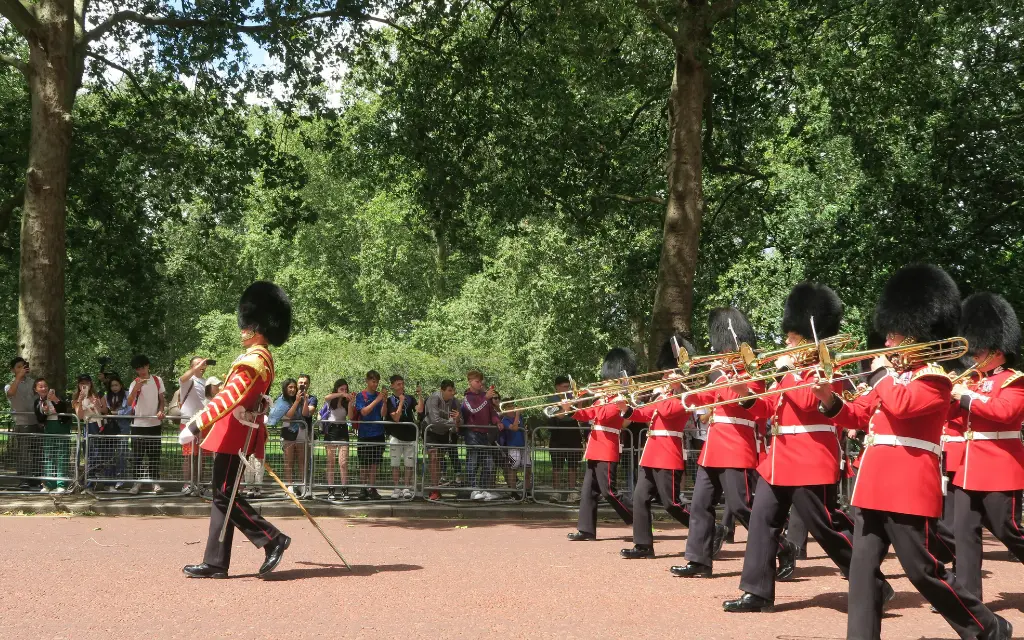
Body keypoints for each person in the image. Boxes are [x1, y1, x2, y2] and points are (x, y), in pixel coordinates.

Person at [815, 265, 1011, 640]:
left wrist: (881, 373)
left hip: (907, 484)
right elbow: (859, 415)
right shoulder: (891, 377)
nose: (887, 343)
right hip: (871, 484)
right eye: (889, 334)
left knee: (922, 570)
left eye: (895, 335)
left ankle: (987, 626)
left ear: (917, 334)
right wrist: (828, 401)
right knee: (861, 571)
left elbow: (902, 406)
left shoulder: (935, 379)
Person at [723, 282, 891, 613]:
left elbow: (809, 402)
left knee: (824, 527)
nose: (786, 341)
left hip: (810, 456)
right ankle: (757, 592)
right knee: (762, 519)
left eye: (791, 336)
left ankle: (874, 583)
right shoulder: (792, 369)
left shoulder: (829, 366)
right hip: (780, 458)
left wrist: (791, 370)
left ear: (805, 334)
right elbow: (767, 408)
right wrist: (743, 391)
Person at [179, 280, 293, 579]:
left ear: (255, 328)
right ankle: (215, 561)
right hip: (238, 430)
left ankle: (272, 539)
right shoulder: (261, 356)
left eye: (245, 327)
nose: (241, 331)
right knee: (222, 494)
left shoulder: (254, 359)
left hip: (235, 432)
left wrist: (195, 424)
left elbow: (230, 397)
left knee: (225, 494)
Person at [672, 309, 770, 577]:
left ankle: (781, 548)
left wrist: (720, 376)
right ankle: (699, 560)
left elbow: (753, 406)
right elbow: (704, 399)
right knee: (700, 504)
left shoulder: (751, 369)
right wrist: (686, 389)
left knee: (741, 506)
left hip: (737, 446)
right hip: (713, 447)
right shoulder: (720, 371)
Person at [947, 292, 1024, 601]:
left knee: (1008, 530)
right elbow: (952, 419)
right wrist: (948, 394)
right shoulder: (973, 381)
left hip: (999, 468)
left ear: (997, 348)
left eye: (979, 349)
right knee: (963, 533)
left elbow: (1003, 413)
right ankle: (968, 600)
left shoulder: (1014, 381)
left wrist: (965, 396)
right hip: (968, 469)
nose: (974, 355)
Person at [620, 336, 695, 559]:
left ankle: (708, 529)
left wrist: (663, 393)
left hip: (668, 452)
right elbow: (646, 414)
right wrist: (627, 408)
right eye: (664, 372)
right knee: (640, 498)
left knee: (671, 503)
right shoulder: (663, 394)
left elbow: (667, 412)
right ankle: (643, 545)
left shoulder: (684, 396)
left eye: (668, 372)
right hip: (651, 452)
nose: (664, 376)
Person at [565, 347, 636, 541]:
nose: (603, 383)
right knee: (588, 491)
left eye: (607, 381)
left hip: (607, 449)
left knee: (609, 491)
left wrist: (594, 396)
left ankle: (640, 517)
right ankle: (586, 529)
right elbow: (586, 415)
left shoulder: (618, 401)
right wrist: (570, 407)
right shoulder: (602, 400)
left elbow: (604, 416)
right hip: (594, 449)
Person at [127, 355, 166, 495]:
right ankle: (136, 483)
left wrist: (161, 410)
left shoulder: (157, 380)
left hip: (154, 423)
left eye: (143, 367)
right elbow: (129, 401)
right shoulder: (134, 382)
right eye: (138, 369)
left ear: (148, 366)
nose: (141, 371)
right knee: (137, 455)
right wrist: (136, 388)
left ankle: (155, 482)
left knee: (154, 454)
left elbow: (162, 399)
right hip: (138, 424)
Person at [461, 370, 502, 501]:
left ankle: (483, 489)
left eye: (480, 381)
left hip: (484, 433)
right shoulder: (467, 398)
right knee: (472, 461)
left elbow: (492, 412)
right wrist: (486, 399)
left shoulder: (485, 397)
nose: (480, 384)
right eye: (477, 381)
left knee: (488, 463)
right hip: (472, 433)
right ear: (470, 382)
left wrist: (497, 421)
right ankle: (473, 489)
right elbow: (473, 410)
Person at [267, 378, 308, 496]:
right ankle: (289, 486)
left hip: (301, 430)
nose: (292, 389)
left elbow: (305, 414)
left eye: (294, 387)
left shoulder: (300, 399)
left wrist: (304, 400)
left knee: (301, 460)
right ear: (285, 388)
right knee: (288, 461)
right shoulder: (281, 401)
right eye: (290, 387)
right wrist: (295, 402)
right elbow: (287, 416)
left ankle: (302, 485)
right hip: (288, 431)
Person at [422, 380, 462, 500]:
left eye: (453, 390)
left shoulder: (455, 401)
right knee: (433, 458)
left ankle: (436, 487)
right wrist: (452, 422)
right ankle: (434, 489)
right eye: (449, 390)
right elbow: (435, 420)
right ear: (442, 390)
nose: (452, 393)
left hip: (444, 433)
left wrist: (458, 420)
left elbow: (460, 421)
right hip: (431, 431)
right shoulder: (433, 398)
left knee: (439, 459)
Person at [6, 357, 41, 489]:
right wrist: (18, 378)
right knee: (24, 453)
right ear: (13, 370)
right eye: (18, 367)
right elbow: (10, 394)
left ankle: (37, 480)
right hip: (22, 423)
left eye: (24, 366)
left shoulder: (33, 383)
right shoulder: (10, 385)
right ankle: (24, 480)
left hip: (36, 422)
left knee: (37, 452)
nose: (22, 369)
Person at [547, 375, 584, 503]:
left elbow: (580, 414)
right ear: (557, 387)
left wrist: (579, 401)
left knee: (573, 466)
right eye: (564, 387)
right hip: (558, 435)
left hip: (573, 434)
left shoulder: (571, 398)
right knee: (557, 466)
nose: (567, 389)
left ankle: (572, 492)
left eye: (568, 387)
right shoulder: (552, 399)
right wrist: (569, 405)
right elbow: (560, 416)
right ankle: (555, 492)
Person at [177, 356, 211, 496]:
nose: (201, 366)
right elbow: (182, 378)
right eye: (197, 364)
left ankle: (199, 484)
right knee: (189, 455)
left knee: (201, 456)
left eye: (203, 364)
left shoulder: (206, 382)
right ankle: (188, 484)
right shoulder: (188, 380)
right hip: (188, 422)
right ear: (191, 366)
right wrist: (194, 368)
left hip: (203, 422)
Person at [386, 375, 423, 499]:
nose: (401, 386)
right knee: (395, 463)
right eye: (398, 384)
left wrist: (419, 395)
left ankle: (407, 487)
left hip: (410, 435)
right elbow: (395, 418)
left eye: (402, 384)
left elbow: (420, 409)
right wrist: (401, 402)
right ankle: (396, 488)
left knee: (409, 463)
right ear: (392, 386)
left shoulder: (410, 398)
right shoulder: (390, 400)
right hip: (396, 435)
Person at [353, 370, 388, 500]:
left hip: (378, 433)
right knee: (364, 464)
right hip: (364, 434)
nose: (375, 384)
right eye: (373, 381)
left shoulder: (380, 395)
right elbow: (364, 412)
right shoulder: (361, 396)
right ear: (367, 381)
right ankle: (363, 488)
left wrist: (384, 401)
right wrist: (377, 400)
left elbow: (383, 414)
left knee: (374, 463)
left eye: (377, 382)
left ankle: (372, 488)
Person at [34, 378, 71, 494]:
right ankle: (49, 484)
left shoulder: (57, 396)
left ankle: (61, 484)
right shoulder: (37, 402)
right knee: (49, 457)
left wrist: (56, 400)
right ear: (36, 389)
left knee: (62, 457)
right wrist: (44, 412)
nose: (43, 388)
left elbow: (65, 413)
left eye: (45, 386)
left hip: (61, 428)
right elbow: (39, 419)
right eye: (40, 386)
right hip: (49, 429)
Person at [73, 374, 109, 490]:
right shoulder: (76, 399)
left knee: (100, 454)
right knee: (90, 454)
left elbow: (105, 410)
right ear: (78, 385)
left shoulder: (98, 395)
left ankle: (97, 481)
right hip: (89, 425)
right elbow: (79, 416)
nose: (84, 386)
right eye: (82, 383)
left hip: (100, 425)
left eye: (87, 383)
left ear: (91, 384)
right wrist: (80, 400)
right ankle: (89, 481)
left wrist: (97, 404)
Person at [321, 379, 354, 501]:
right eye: (341, 389)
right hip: (331, 430)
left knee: (343, 462)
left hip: (343, 430)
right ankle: (331, 489)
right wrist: (341, 394)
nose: (344, 392)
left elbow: (350, 417)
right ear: (337, 389)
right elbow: (326, 397)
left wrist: (350, 402)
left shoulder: (346, 402)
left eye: (346, 389)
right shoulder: (331, 400)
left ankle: (345, 488)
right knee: (331, 462)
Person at [496, 395, 530, 499]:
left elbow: (522, 428)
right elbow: (514, 428)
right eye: (510, 406)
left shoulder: (519, 417)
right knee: (513, 468)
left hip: (523, 446)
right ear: (505, 409)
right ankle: (513, 492)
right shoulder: (505, 420)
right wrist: (517, 414)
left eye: (513, 406)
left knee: (528, 468)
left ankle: (528, 491)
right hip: (513, 446)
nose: (513, 408)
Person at [104, 374, 132, 489]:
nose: (114, 388)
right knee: (110, 452)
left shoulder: (127, 395)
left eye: (116, 385)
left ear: (121, 385)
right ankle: (110, 478)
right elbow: (105, 410)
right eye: (112, 386)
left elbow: (130, 409)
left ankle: (121, 479)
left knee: (122, 452)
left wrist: (116, 413)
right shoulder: (107, 396)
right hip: (110, 426)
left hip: (123, 425)